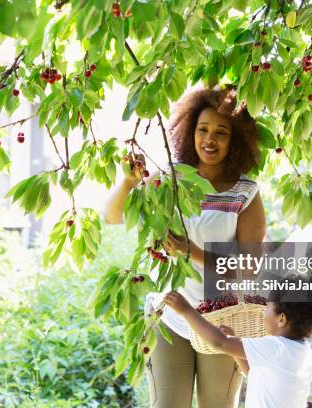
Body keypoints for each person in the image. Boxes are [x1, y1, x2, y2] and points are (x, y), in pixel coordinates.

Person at [103, 84, 266, 407]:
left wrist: (190, 251)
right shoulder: (170, 178)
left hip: (223, 317)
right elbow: (113, 215)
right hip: (169, 313)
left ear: (235, 140)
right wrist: (128, 182)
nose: (210, 139)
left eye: (221, 132)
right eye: (202, 129)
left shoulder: (246, 192)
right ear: (190, 131)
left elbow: (249, 268)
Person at [163, 284, 312, 408]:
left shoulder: (275, 347)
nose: (264, 312)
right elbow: (254, 373)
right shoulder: (302, 351)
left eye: (268, 307)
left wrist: (185, 310)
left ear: (281, 319)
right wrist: (234, 345)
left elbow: (219, 342)